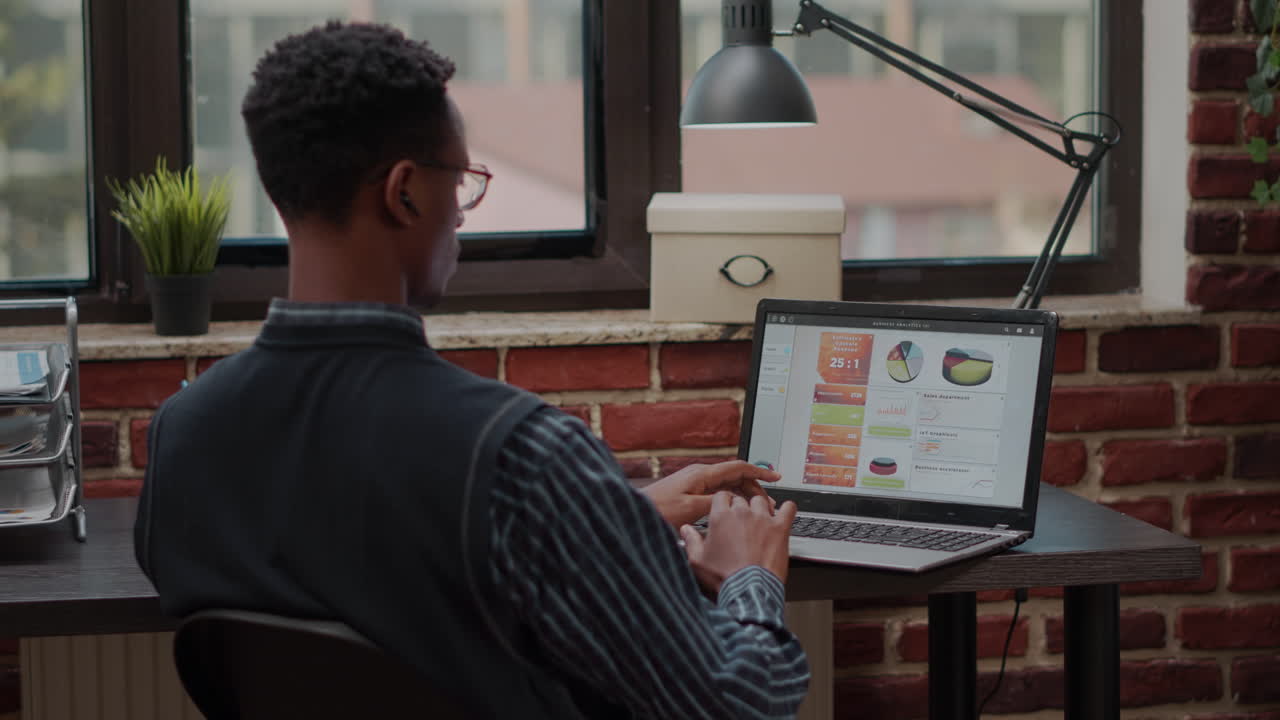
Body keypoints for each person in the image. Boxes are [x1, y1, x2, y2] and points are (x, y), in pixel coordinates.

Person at [133, 21, 808, 719]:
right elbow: (741, 707)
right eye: (460, 180)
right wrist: (749, 576)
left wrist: (608, 523)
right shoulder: (525, 455)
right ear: (404, 192)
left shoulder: (182, 436)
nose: (461, 210)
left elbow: (371, 578)